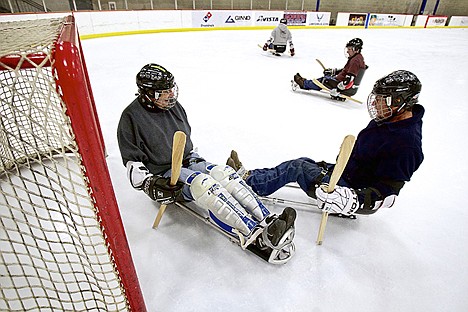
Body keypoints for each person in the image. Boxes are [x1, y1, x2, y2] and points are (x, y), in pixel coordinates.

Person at [117, 63, 296, 264]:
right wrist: (151, 184)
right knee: (204, 185)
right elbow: (133, 166)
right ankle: (254, 234)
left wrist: (193, 160)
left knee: (223, 173)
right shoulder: (130, 117)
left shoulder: (173, 106)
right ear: (147, 93)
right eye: (163, 92)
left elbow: (186, 142)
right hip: (166, 174)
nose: (170, 95)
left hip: (188, 161)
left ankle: (269, 220)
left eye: (171, 89)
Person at [228, 70, 424, 217]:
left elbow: (387, 195)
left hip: (350, 190)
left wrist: (351, 200)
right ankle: (251, 176)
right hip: (347, 173)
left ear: (401, 101)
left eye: (382, 100)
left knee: (297, 167)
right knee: (303, 161)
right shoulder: (387, 120)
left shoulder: (407, 145)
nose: (374, 104)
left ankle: (249, 184)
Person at [293, 38, 367, 100]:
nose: (347, 51)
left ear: (356, 49)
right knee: (327, 76)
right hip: (342, 82)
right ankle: (306, 82)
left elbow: (349, 79)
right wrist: (333, 71)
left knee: (324, 80)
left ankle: (304, 84)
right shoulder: (357, 58)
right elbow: (346, 70)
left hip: (343, 87)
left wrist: (338, 90)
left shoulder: (355, 61)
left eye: (349, 49)